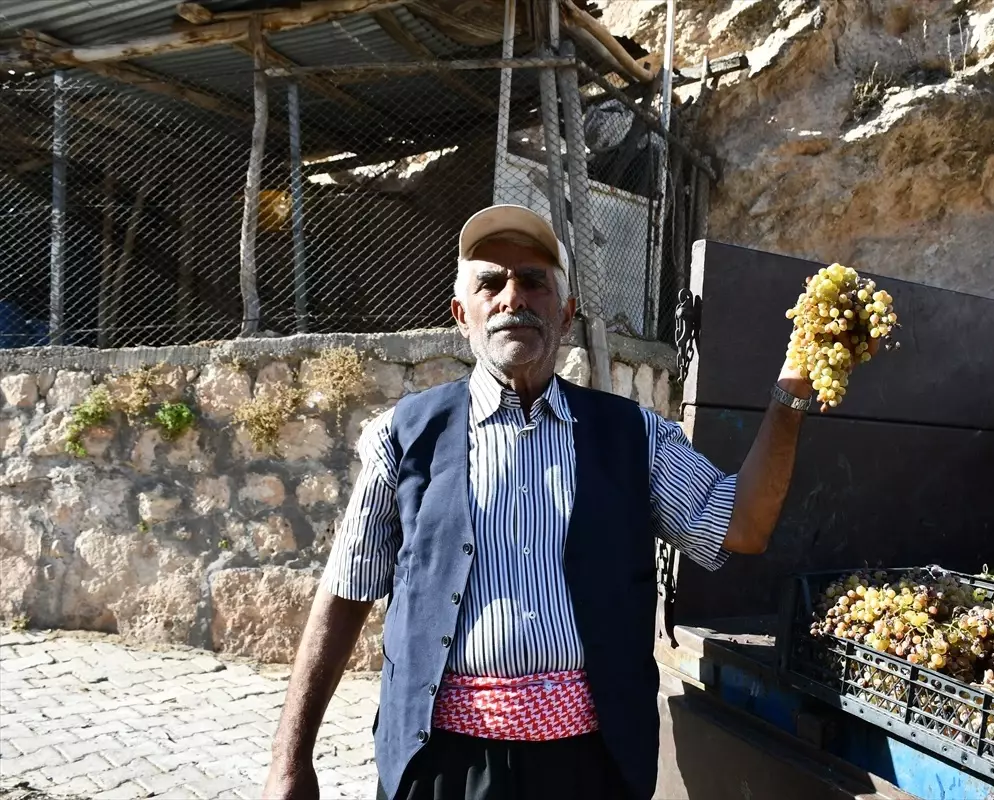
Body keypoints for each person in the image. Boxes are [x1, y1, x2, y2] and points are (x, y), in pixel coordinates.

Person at [262, 204, 867, 800]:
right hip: (444, 765)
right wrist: (290, 763)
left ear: (567, 312)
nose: (512, 298)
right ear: (460, 313)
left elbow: (741, 526)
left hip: (590, 766)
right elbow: (345, 593)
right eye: (490, 282)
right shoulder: (402, 435)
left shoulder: (636, 436)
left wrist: (792, 388)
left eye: (533, 281)